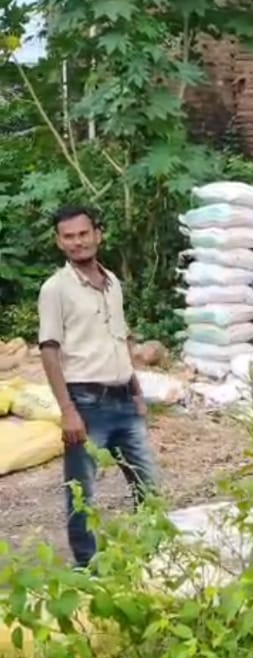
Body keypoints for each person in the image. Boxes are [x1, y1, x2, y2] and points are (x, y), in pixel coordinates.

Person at [37, 205, 161, 569]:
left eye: (83, 234)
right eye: (69, 237)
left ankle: (151, 557)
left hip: (124, 402)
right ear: (59, 242)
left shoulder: (113, 284)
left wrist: (137, 392)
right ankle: (89, 570)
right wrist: (67, 410)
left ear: (97, 234)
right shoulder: (55, 289)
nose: (77, 242)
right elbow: (49, 351)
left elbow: (120, 341)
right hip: (86, 406)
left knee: (149, 486)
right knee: (82, 496)